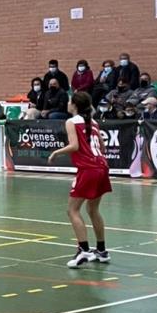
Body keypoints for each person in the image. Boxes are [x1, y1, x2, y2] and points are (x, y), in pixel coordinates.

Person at [48, 92, 111, 269]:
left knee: (72, 210)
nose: (67, 103)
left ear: (74, 104)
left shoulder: (71, 121)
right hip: (102, 167)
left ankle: (83, 249)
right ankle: (101, 250)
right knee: (93, 209)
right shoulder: (95, 122)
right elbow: (103, 148)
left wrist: (56, 152)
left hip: (89, 169)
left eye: (70, 101)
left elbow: (75, 146)